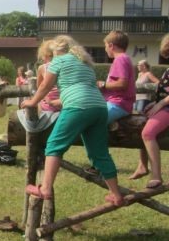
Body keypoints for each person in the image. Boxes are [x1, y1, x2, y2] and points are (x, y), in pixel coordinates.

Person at [20, 35, 124, 206]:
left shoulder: (58, 61)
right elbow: (83, 88)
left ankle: (45, 188)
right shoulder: (85, 63)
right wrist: (62, 101)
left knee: (54, 145)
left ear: (56, 51)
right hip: (99, 107)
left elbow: (45, 86)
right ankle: (116, 194)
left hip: (78, 107)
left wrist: (32, 102)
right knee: (99, 153)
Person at [128, 34, 169, 186]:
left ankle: (156, 176)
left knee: (148, 133)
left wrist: (160, 104)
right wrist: (155, 103)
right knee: (142, 126)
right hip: (165, 105)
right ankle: (143, 165)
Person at [97, 30, 136, 125]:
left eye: (105, 46)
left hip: (118, 104)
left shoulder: (120, 59)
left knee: (92, 122)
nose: (105, 49)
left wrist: (102, 84)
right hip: (119, 104)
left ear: (111, 45)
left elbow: (122, 84)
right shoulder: (124, 58)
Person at [36, 40, 61, 112]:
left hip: (47, 105)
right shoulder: (62, 65)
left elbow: (39, 88)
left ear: (45, 55)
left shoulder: (42, 68)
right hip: (62, 103)